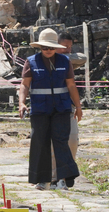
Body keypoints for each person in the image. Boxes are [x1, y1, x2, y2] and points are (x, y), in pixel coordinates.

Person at [18, 27, 83, 191]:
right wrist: (21, 103)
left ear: (56, 47)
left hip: (61, 107)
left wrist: (78, 106)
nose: (48, 50)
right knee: (40, 142)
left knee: (62, 142)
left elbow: (71, 85)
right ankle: (42, 180)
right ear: (40, 47)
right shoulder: (31, 62)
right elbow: (25, 85)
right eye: (45, 47)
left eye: (51, 47)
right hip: (40, 109)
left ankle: (62, 180)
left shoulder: (64, 61)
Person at [51, 32, 80, 183]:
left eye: (70, 47)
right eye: (65, 46)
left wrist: (78, 106)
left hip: (67, 106)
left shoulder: (68, 60)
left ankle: (67, 174)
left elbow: (81, 58)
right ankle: (54, 177)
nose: (68, 49)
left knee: (72, 140)